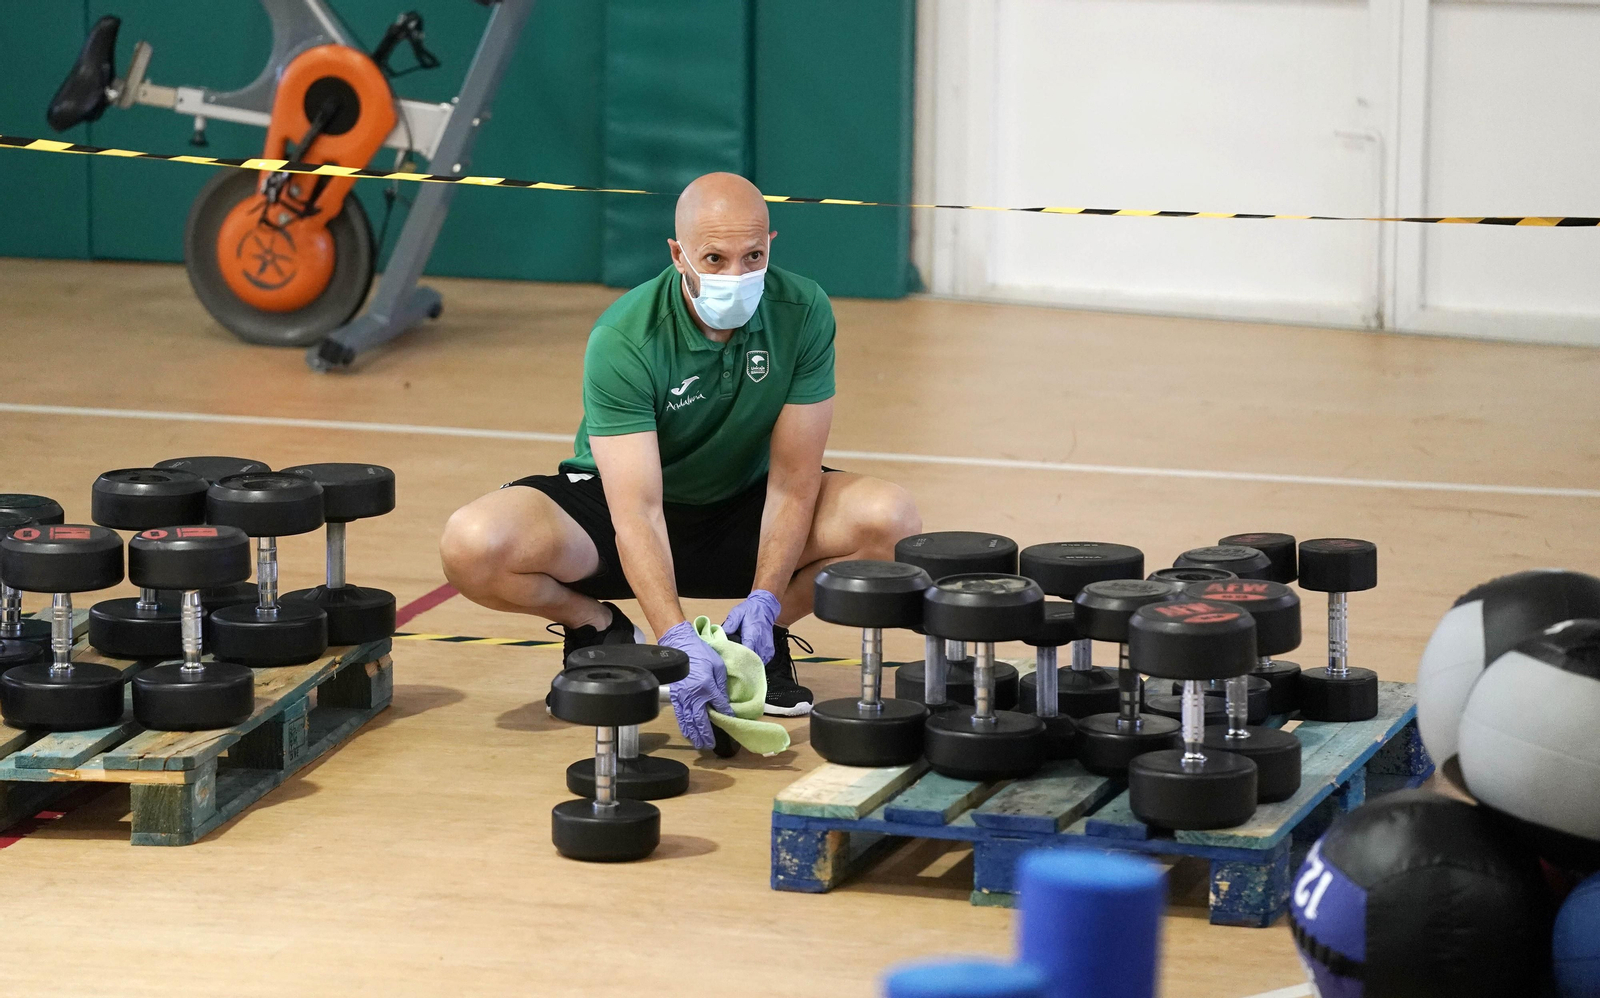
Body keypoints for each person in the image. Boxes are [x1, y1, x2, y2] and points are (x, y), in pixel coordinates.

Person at [440, 172, 921, 749]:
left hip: (747, 505)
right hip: (624, 512)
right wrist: (673, 638)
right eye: (714, 259)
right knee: (473, 543)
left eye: (753, 257)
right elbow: (636, 512)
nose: (735, 276)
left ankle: (756, 645)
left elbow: (795, 482)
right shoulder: (625, 336)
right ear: (678, 255)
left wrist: (768, 597)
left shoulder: (804, 310)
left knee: (892, 522)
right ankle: (597, 628)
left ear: (772, 244)